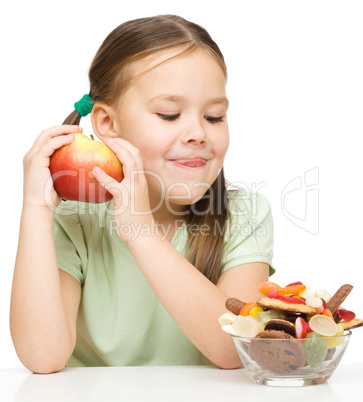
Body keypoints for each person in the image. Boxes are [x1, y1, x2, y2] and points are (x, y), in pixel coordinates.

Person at [10, 14, 275, 373]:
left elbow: (236, 349)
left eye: (214, 117)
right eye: (169, 115)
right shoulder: (75, 220)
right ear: (107, 124)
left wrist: (140, 230)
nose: (197, 133)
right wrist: (36, 210)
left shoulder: (244, 215)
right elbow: (43, 356)